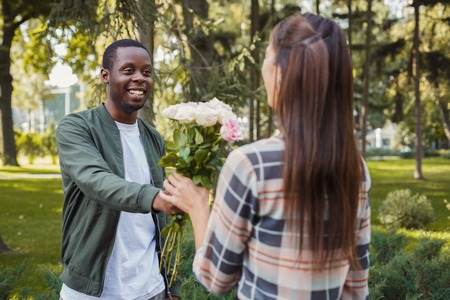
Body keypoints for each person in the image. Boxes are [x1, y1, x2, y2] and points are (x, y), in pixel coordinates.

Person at [160, 13, 371, 299]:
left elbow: (215, 278)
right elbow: (356, 288)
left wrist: (198, 207)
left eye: (267, 55)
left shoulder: (251, 165)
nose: (263, 67)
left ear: (282, 75)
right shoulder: (355, 168)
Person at [56, 39, 181, 300]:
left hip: (151, 288)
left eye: (146, 72)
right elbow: (96, 181)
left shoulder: (153, 137)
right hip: (94, 290)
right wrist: (155, 198)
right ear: (106, 75)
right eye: (128, 70)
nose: (140, 78)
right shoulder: (76, 128)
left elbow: (162, 221)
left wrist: (171, 285)